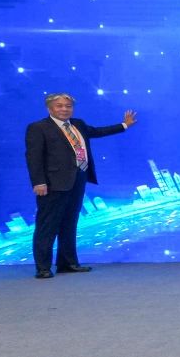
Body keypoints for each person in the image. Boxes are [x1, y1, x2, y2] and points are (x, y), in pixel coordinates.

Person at [24, 93, 136, 279]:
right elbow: (33, 157)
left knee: (70, 223)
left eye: (68, 106)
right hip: (53, 184)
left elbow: (98, 132)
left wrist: (124, 125)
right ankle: (43, 268)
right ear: (49, 108)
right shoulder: (38, 127)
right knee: (47, 226)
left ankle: (67, 263)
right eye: (59, 106)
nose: (64, 109)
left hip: (78, 179)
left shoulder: (78, 124)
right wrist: (39, 182)